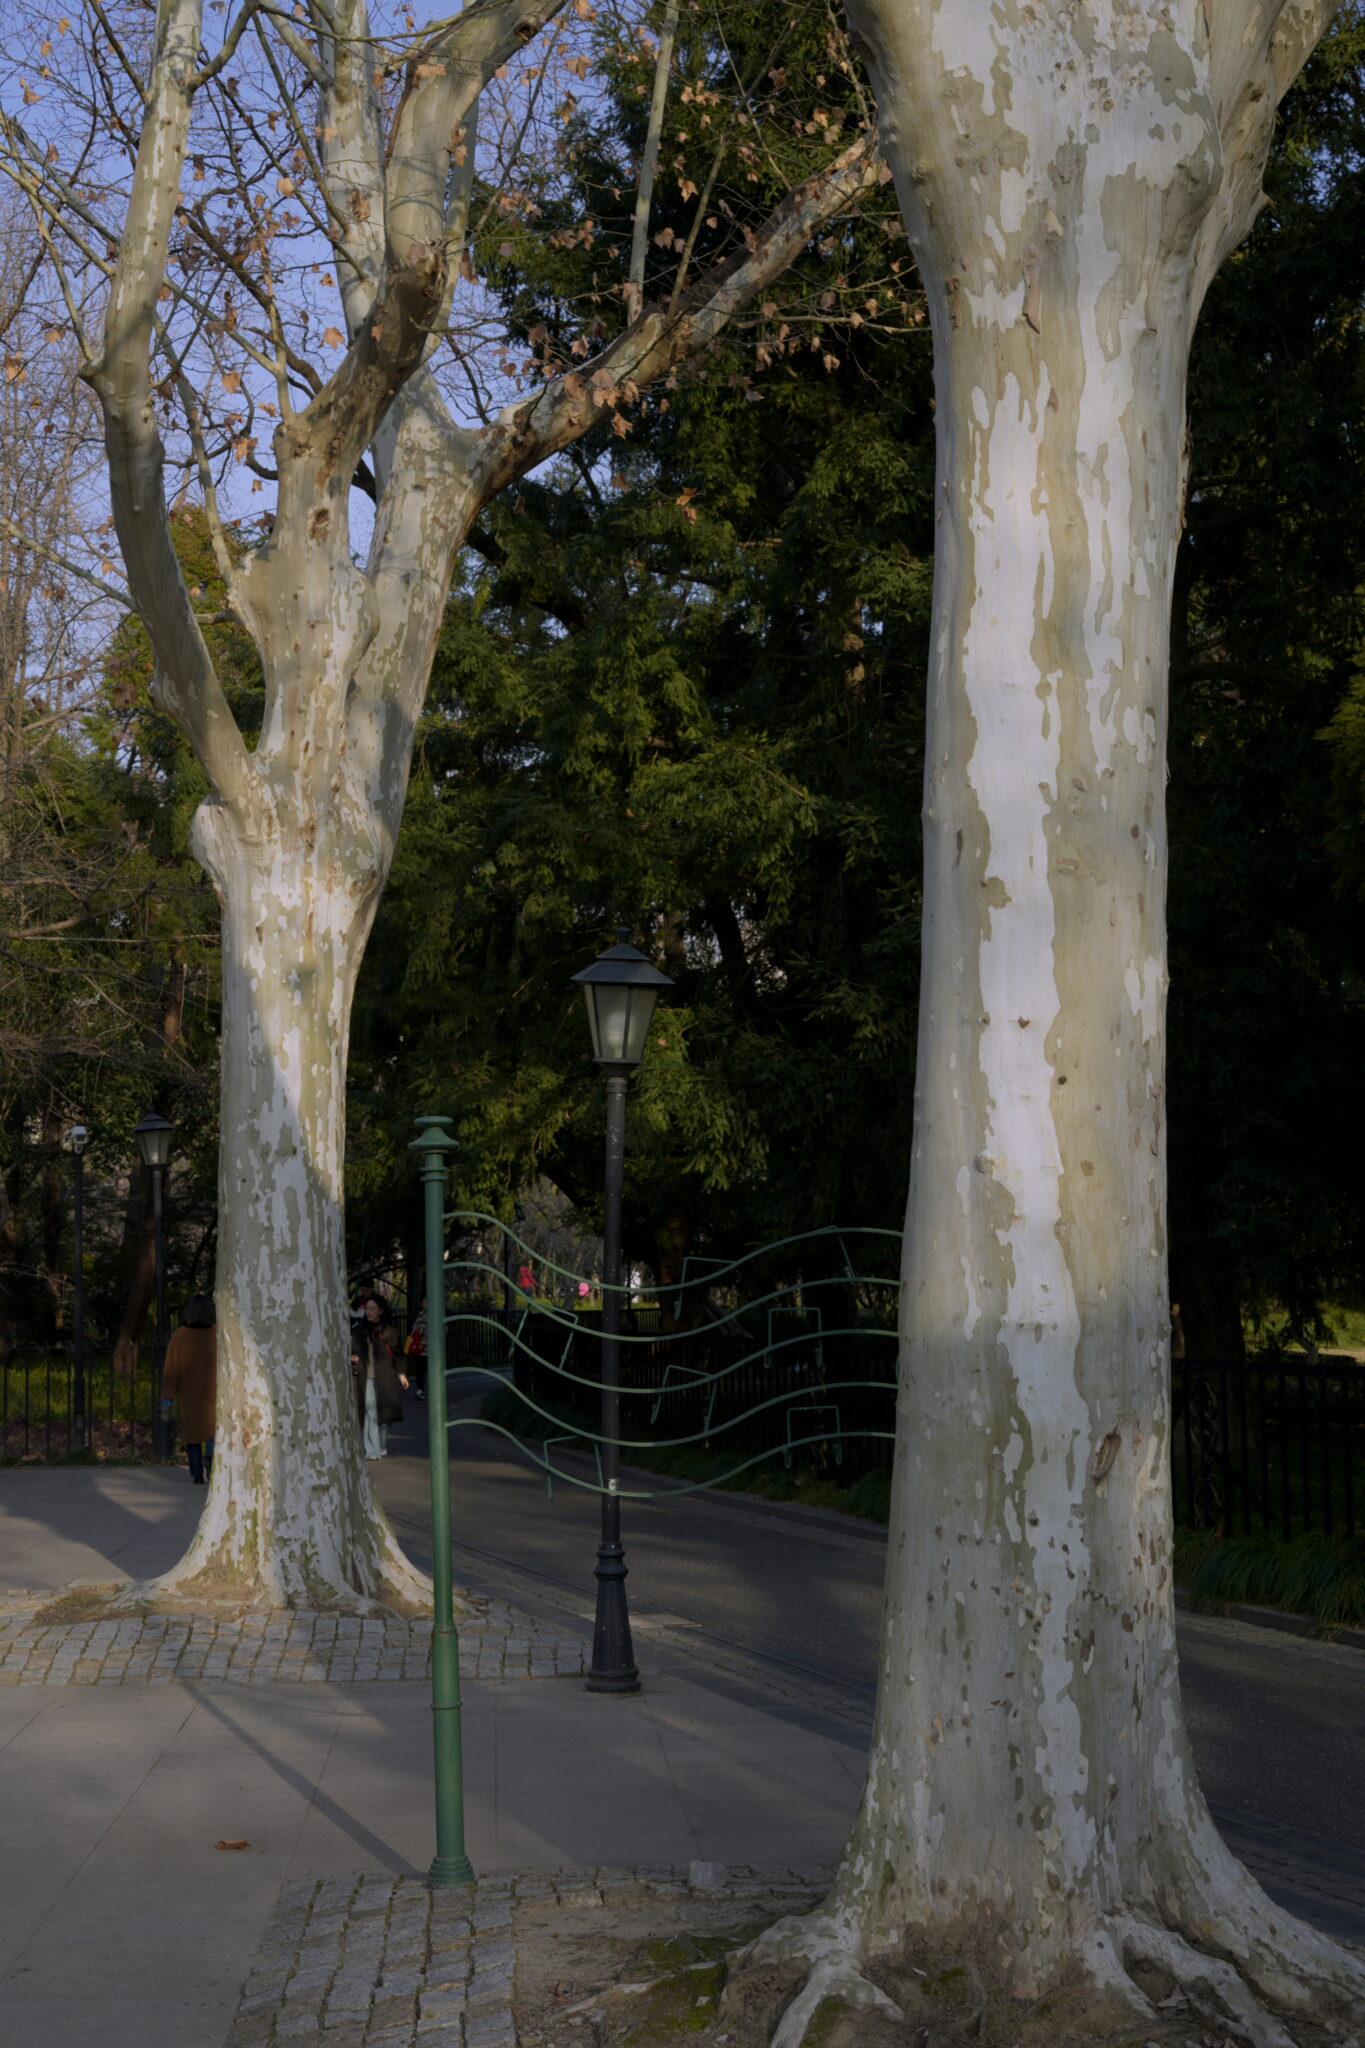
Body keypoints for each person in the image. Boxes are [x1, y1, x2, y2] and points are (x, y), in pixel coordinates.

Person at [162, 1293, 218, 1484]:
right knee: (213, 1430)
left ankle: (196, 1473)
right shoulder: (217, 1333)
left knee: (192, 1436)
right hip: (214, 1392)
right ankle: (210, 1457)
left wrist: (168, 1398)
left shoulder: (179, 1335)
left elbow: (172, 1368)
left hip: (190, 1394)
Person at [350, 1293, 407, 1460]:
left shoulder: (389, 1330)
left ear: (381, 1310)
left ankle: (380, 1445)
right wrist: (355, 1358)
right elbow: (354, 1349)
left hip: (384, 1378)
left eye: (372, 1308)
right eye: (367, 1308)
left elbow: (397, 1353)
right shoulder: (359, 1330)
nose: (369, 1312)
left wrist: (401, 1373)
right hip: (365, 1376)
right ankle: (372, 1450)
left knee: (384, 1417)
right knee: (370, 1413)